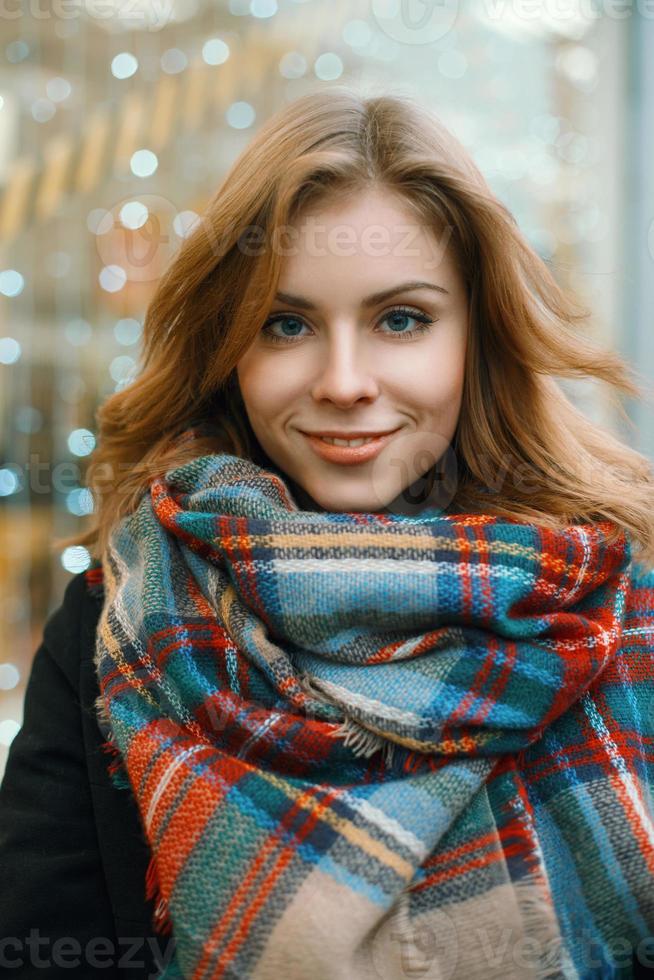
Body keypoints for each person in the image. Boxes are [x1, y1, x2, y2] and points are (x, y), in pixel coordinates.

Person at [1, 86, 654, 980]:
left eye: (401, 319)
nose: (344, 381)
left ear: (480, 334)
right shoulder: (117, 617)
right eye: (287, 324)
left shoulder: (620, 609)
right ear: (228, 348)